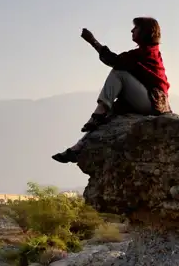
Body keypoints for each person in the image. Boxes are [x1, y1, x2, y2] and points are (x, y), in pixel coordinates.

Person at [52, 17, 171, 163]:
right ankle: (78, 147)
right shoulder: (141, 53)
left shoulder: (147, 53)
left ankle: (99, 110)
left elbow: (113, 61)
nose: (132, 30)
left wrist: (92, 41)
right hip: (146, 101)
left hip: (153, 103)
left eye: (136, 28)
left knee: (118, 72)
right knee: (107, 116)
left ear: (145, 31)